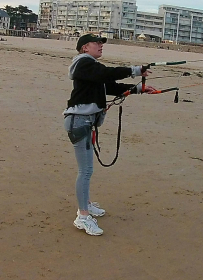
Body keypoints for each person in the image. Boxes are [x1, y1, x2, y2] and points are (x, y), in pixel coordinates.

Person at [63, 34, 156, 236]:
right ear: (85, 47)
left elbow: (110, 86)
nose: (101, 46)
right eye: (97, 43)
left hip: (85, 122)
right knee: (85, 170)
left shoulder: (91, 70)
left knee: (87, 169)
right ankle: (83, 216)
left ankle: (86, 204)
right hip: (79, 122)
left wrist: (139, 88)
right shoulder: (83, 64)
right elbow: (108, 74)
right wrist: (135, 70)